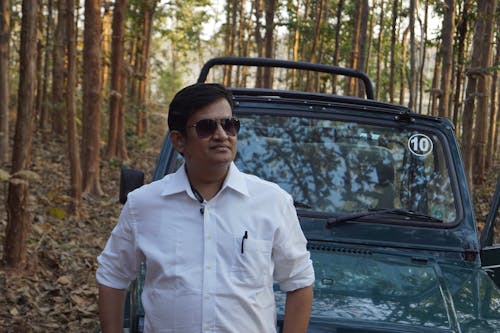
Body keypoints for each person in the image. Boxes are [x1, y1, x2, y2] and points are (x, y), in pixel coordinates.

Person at [96, 83, 314, 333]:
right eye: (207, 127)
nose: (222, 134)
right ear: (179, 140)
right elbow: (112, 277)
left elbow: (299, 282)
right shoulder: (143, 205)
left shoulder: (272, 201)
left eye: (229, 124)